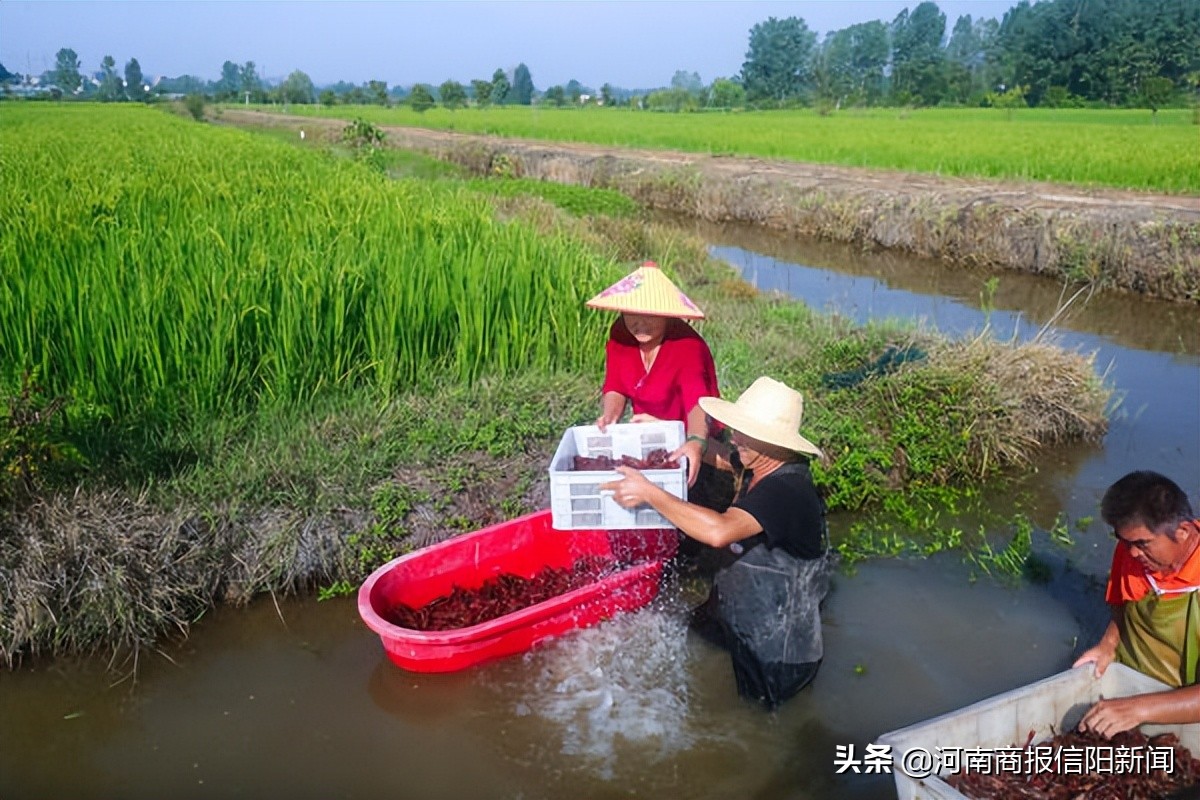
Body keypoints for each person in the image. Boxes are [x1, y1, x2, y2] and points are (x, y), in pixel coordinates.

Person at [601, 376, 833, 709]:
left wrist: (650, 493)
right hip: (735, 618)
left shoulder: (787, 491)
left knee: (761, 725)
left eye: (743, 433)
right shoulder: (762, 462)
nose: (734, 437)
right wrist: (676, 434)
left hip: (777, 652)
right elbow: (724, 456)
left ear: (773, 442)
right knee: (689, 641)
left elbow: (719, 531)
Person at [1072, 470, 1200, 738]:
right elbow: (1122, 601)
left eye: (1142, 543)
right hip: (1131, 684)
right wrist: (1107, 645)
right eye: (1124, 541)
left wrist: (1138, 710)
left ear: (1183, 532)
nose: (1131, 553)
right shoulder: (1132, 552)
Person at [585, 261, 719, 493]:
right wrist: (610, 416)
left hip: (690, 434)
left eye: (650, 315)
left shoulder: (686, 346)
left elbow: (698, 403)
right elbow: (615, 384)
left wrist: (696, 441)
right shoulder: (620, 334)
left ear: (667, 314)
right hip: (647, 434)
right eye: (632, 314)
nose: (640, 324)